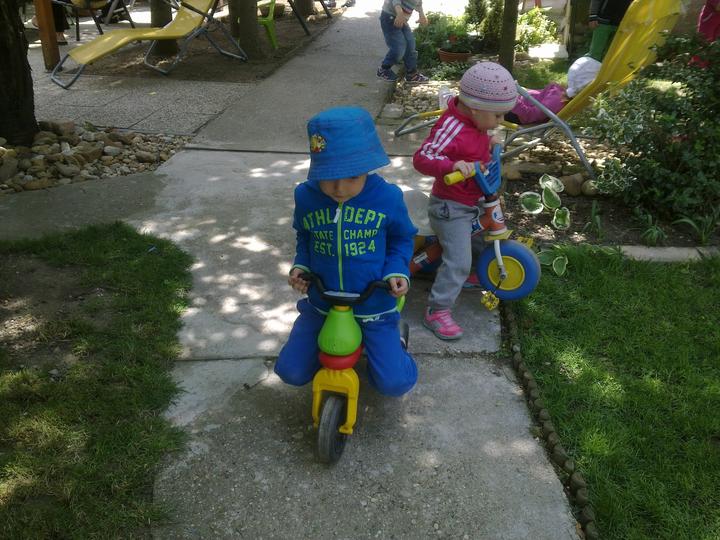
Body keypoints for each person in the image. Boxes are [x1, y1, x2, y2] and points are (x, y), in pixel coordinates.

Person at [275, 106, 418, 397]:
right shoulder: (306, 196)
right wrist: (301, 266)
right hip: (322, 303)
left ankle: (397, 346)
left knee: (394, 384)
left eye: (352, 176)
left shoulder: (387, 197)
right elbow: (305, 236)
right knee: (290, 371)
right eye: (328, 176)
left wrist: (396, 270)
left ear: (368, 166)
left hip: (374, 305)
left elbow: (402, 238)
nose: (339, 188)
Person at [412, 62, 518, 340]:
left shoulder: (476, 121)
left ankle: (474, 273)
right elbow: (422, 158)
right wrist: (452, 165)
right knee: (457, 259)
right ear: (474, 108)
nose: (500, 121)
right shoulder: (451, 126)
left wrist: (489, 145)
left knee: (482, 237)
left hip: (475, 196)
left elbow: (474, 144)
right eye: (497, 116)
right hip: (450, 206)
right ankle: (437, 310)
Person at [377, 0, 429, 83]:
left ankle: (412, 74)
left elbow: (418, 1)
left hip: (402, 19)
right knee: (399, 47)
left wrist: (421, 14)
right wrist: (400, 13)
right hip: (390, 16)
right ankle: (384, 69)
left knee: (410, 44)